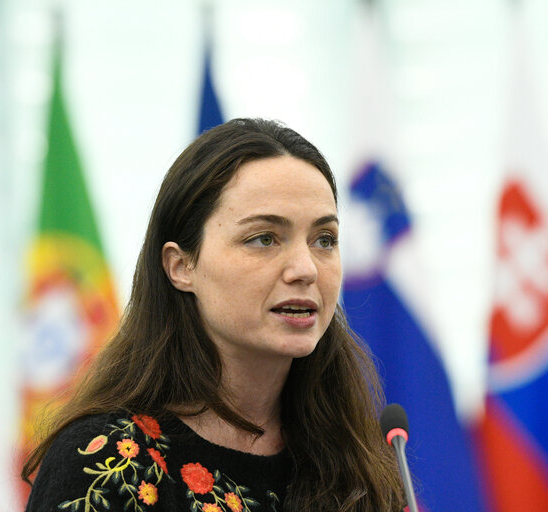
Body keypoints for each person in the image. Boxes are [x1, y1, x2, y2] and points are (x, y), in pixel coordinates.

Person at [23, 118, 404, 511]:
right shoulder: (105, 463)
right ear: (181, 266)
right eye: (264, 239)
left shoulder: (356, 459)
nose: (306, 269)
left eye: (324, 240)